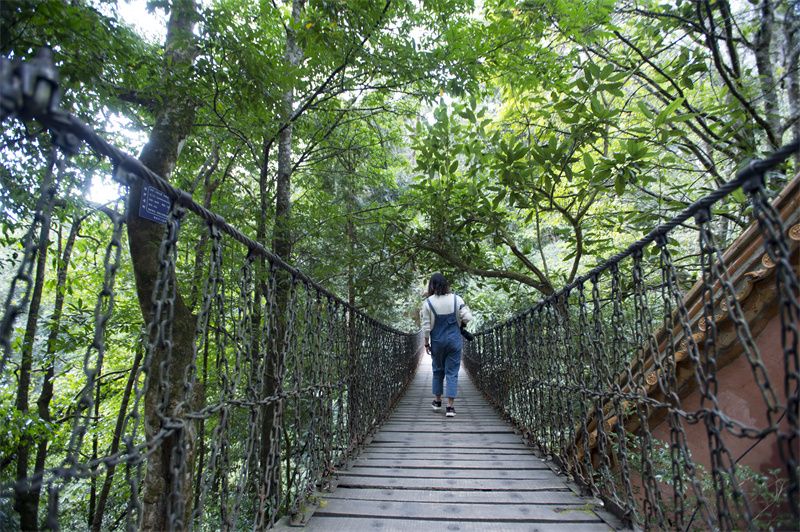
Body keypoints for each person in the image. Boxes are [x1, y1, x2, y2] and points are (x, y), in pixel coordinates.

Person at [420, 273, 473, 417]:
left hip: (437, 341)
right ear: (446, 284)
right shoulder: (457, 299)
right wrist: (461, 324)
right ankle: (450, 407)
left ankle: (437, 402)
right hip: (454, 341)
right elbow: (467, 317)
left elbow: (426, 326)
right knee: (452, 372)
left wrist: (426, 343)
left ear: (432, 285)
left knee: (437, 370)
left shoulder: (428, 303)